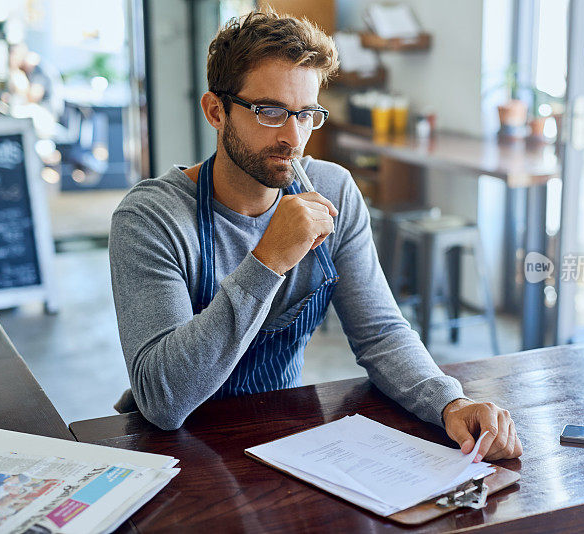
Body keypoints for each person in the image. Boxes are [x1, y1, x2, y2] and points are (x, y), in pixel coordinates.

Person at [109, 10, 522, 462]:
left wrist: (449, 401)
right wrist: (268, 261)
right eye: (269, 112)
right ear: (215, 111)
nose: (293, 137)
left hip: (285, 438)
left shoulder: (333, 191)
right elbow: (164, 401)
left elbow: (380, 333)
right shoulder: (151, 217)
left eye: (305, 114)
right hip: (176, 454)